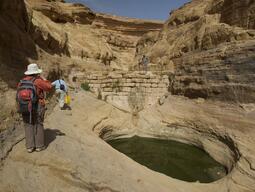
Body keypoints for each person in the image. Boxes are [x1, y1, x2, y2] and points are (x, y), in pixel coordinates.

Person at [17, 63, 52, 153]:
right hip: (37, 106)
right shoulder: (37, 81)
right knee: (38, 123)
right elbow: (49, 87)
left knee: (28, 124)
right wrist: (44, 79)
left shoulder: (22, 81)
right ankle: (39, 146)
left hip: (24, 105)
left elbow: (18, 94)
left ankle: (29, 146)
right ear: (36, 72)